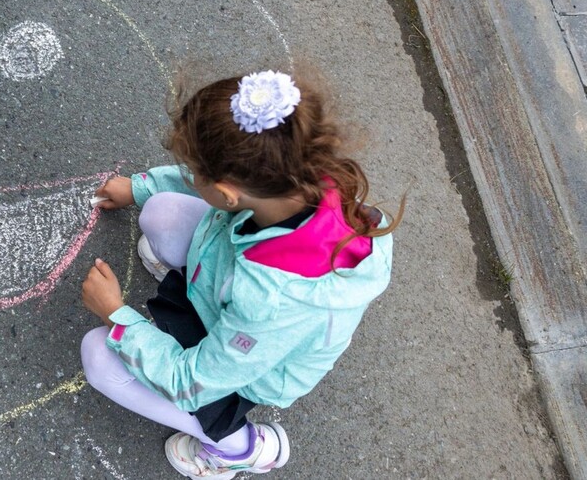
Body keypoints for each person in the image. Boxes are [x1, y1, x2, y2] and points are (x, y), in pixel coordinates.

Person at [81, 70, 403, 479]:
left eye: (195, 171)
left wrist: (116, 316)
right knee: (161, 212)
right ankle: (191, 285)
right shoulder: (298, 173)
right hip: (230, 288)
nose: (190, 175)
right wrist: (140, 188)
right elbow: (211, 178)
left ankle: (239, 448)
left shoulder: (269, 301)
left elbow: (191, 381)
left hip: (246, 369)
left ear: (228, 193)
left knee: (100, 356)